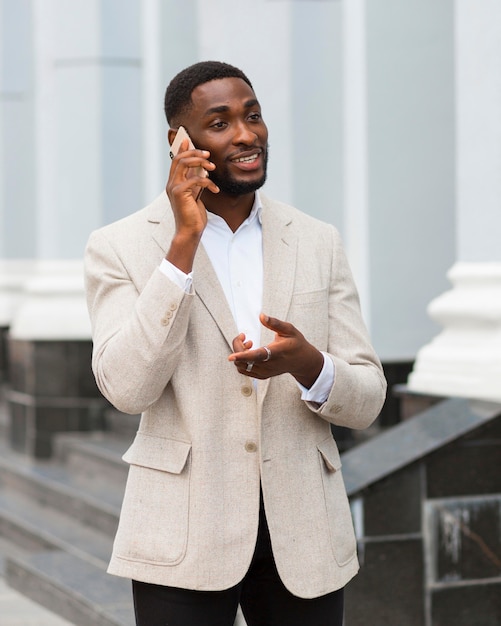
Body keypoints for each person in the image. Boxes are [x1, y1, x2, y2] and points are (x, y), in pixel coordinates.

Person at [84, 60, 386, 626]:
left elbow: (368, 398)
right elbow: (127, 388)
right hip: (184, 529)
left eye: (253, 116)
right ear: (180, 141)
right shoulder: (118, 246)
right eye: (219, 123)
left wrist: (310, 366)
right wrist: (182, 245)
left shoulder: (318, 240)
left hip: (304, 530)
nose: (246, 135)